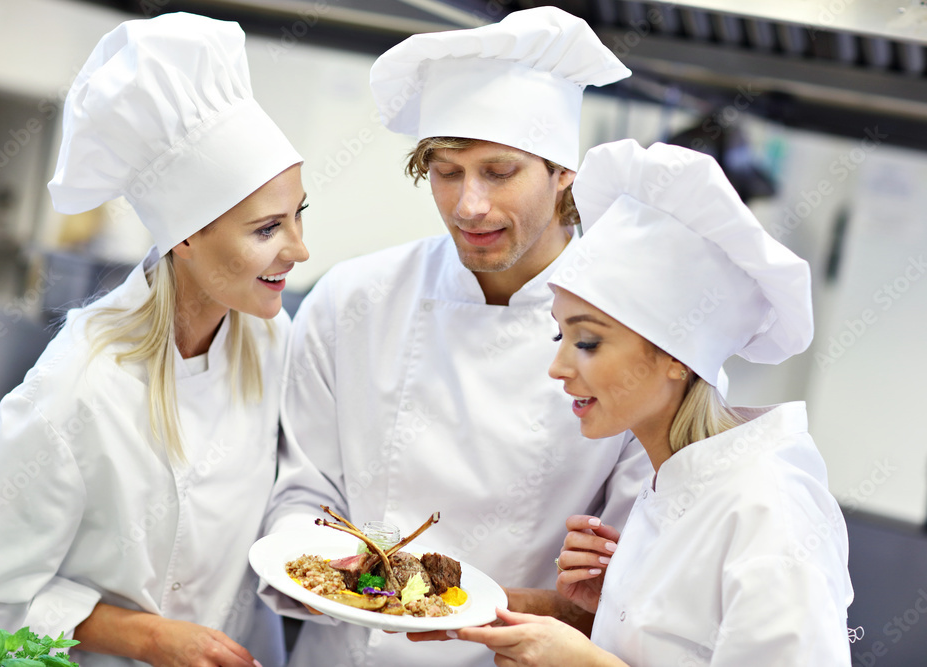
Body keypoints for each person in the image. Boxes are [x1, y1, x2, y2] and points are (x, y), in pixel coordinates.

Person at [257, 8, 654, 667]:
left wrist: (487, 607)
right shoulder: (353, 299)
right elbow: (304, 493)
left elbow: (632, 576)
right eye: (446, 172)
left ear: (563, 173)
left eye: (500, 172)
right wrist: (344, 583)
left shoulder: (637, 340)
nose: (469, 206)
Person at [0, 13, 308, 667]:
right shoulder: (76, 389)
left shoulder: (268, 339)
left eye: (299, 216)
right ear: (187, 236)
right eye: (267, 228)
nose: (300, 250)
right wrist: (145, 635)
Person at [454, 139, 854, 666]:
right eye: (561, 338)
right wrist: (601, 615)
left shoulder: (767, 507)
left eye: (588, 342)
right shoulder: (674, 485)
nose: (558, 368)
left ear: (675, 357)